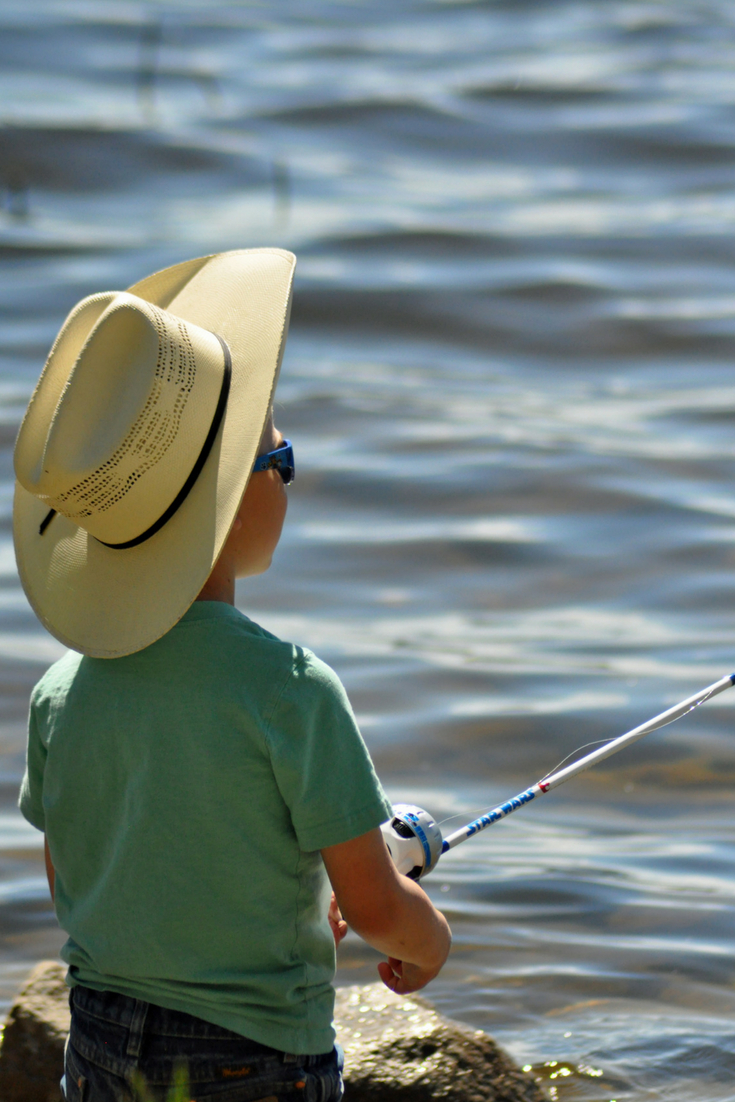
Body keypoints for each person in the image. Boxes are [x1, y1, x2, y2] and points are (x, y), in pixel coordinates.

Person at [14, 249, 451, 1102]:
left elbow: (74, 883)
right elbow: (374, 912)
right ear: (236, 499)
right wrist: (428, 941)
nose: (287, 479)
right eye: (280, 463)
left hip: (98, 1037)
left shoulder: (58, 695)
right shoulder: (291, 688)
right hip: (253, 1059)